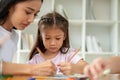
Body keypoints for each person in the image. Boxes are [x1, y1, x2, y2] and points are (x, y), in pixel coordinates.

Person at [0, 0, 56, 76]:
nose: (31, 20)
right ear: (10, 6)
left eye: (35, 14)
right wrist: (32, 69)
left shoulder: (14, 36)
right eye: (28, 12)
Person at [28, 11, 88, 75]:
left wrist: (75, 68)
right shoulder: (36, 59)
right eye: (47, 38)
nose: (53, 43)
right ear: (41, 37)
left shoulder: (68, 54)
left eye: (58, 38)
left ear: (64, 36)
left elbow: (87, 67)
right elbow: (24, 72)